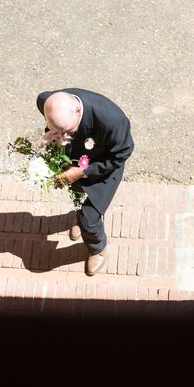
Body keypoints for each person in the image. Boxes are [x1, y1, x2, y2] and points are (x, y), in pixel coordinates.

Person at [36, 88, 134, 276]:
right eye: (59, 131)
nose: (63, 137)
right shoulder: (47, 101)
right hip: (74, 163)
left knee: (89, 220)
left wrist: (83, 172)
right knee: (76, 196)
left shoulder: (113, 121)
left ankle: (97, 248)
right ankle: (80, 214)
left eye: (67, 131)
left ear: (78, 111)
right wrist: (51, 135)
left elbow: (120, 155)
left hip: (102, 169)